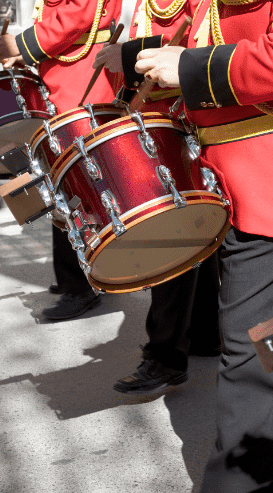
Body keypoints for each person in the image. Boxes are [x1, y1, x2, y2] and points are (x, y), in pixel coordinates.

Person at [132, 0, 273, 493]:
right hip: (232, 191)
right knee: (272, 354)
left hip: (271, 197)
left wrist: (185, 64)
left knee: (256, 364)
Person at [90, 0, 222, 396]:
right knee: (198, 232)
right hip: (158, 115)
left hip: (183, 120)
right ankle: (203, 334)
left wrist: (127, 55)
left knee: (172, 234)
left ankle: (166, 358)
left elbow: (198, 43)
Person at [0, 0, 121, 321]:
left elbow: (79, 12)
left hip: (81, 79)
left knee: (73, 184)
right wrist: (26, 53)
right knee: (59, 178)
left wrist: (21, 43)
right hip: (63, 74)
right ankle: (78, 276)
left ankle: (81, 286)